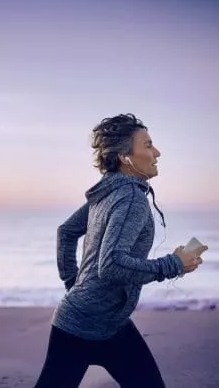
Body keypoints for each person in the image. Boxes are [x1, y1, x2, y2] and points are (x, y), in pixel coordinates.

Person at [35, 113, 207, 388]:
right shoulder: (130, 200)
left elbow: (65, 233)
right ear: (126, 157)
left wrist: (76, 286)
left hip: (107, 324)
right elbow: (112, 265)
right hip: (79, 327)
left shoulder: (108, 193)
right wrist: (174, 263)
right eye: (148, 145)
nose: (157, 152)